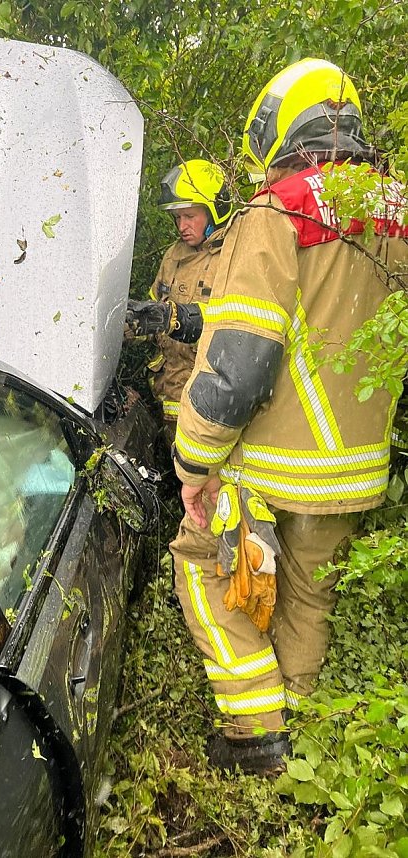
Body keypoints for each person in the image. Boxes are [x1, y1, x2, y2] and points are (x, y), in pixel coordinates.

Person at [169, 58, 408, 774]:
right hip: (356, 465)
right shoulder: (396, 205)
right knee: (309, 589)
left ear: (279, 129)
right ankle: (299, 717)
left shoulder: (279, 213)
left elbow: (238, 359)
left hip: (269, 464)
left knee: (201, 570)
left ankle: (256, 734)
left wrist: (194, 461)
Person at [125, 159, 232, 447]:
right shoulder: (173, 255)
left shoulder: (233, 256)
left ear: (215, 210)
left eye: (189, 216)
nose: (182, 226)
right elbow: (153, 308)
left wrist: (178, 317)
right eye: (176, 218)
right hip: (167, 396)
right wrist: (134, 324)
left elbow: (237, 322)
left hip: (209, 404)